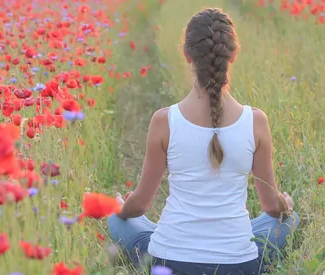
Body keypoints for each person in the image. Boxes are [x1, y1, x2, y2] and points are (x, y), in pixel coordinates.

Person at [107, 8, 299, 275]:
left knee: (118, 220)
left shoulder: (164, 121)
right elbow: (270, 205)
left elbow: (140, 204)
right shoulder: (256, 121)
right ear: (233, 54)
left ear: (187, 54)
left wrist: (120, 207)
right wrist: (285, 206)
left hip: (169, 262)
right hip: (239, 265)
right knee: (288, 221)